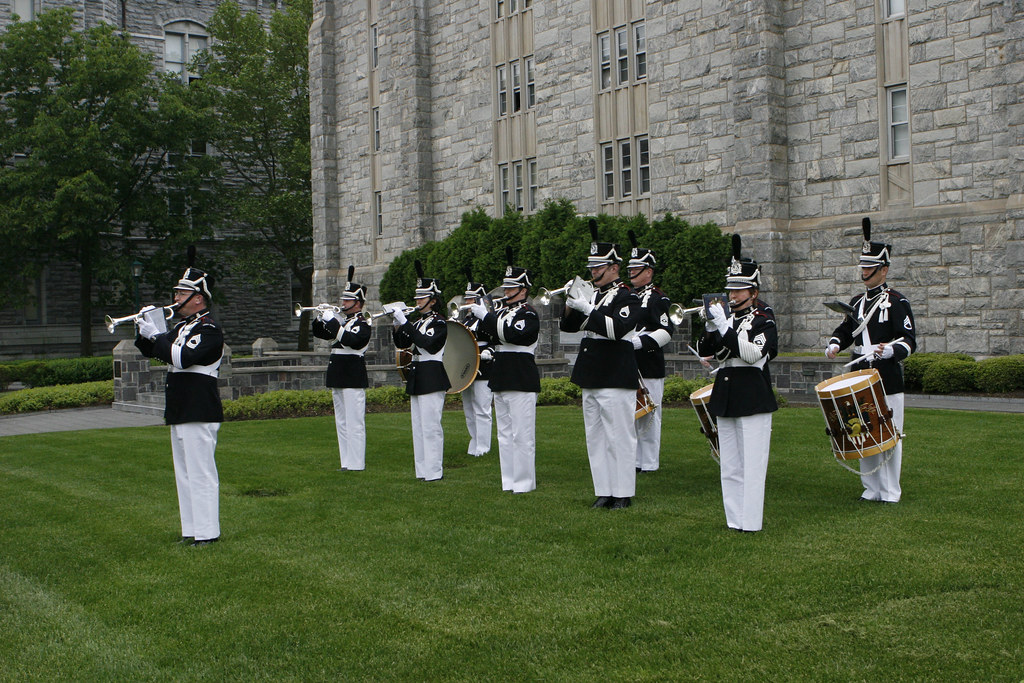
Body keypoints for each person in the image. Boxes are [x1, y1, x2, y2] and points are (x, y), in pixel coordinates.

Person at [825, 217, 916, 503]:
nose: (864, 272)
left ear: (883, 269)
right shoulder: (858, 301)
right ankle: (871, 488)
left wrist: (889, 350)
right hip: (860, 377)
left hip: (886, 377)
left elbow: (909, 341)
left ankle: (890, 491)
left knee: (889, 434)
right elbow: (847, 330)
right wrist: (835, 342)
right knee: (861, 430)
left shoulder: (897, 301)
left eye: (870, 268)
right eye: (863, 267)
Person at [135, 264, 224, 547]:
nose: (176, 298)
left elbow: (183, 357)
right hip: (182, 406)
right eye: (176, 292)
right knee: (184, 473)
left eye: (182, 292)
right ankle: (192, 530)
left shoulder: (209, 329)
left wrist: (157, 335)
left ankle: (208, 532)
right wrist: (145, 331)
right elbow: (156, 351)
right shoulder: (183, 327)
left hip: (199, 406)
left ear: (199, 297)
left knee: (201, 472)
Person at [696, 235, 778, 532]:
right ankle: (734, 520)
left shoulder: (763, 320)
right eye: (730, 289)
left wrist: (725, 327)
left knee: (752, 465)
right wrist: (709, 327)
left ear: (753, 292)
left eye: (738, 289)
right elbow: (711, 353)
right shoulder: (728, 319)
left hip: (752, 394)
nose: (731, 295)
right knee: (730, 465)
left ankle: (751, 522)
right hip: (727, 393)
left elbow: (754, 353)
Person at [559, 222, 643, 509]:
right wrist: (571, 303)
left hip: (616, 372)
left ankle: (622, 493)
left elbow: (618, 329)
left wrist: (588, 309)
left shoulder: (627, 296)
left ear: (614, 268)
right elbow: (568, 325)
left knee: (619, 436)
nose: (593, 272)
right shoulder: (592, 294)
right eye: (592, 267)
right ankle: (604, 490)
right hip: (592, 372)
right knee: (595, 436)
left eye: (599, 268)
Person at [470, 254, 541, 493]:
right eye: (506, 287)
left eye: (512, 288)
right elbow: (487, 335)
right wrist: (484, 315)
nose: (507, 292)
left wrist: (488, 317)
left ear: (523, 290)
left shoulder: (528, 314)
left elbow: (510, 334)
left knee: (522, 434)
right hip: (501, 376)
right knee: (504, 434)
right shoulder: (501, 313)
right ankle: (508, 480)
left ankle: (524, 483)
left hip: (520, 377)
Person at [391, 263, 449, 481]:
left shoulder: (440, 322)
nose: (417, 301)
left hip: (432, 372)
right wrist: (398, 325)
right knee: (418, 427)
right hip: (418, 373)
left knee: (431, 426)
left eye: (422, 297)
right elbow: (403, 342)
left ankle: (434, 471)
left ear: (432, 300)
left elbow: (427, 344)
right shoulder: (419, 321)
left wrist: (406, 323)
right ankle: (422, 470)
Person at [311, 266, 372, 471]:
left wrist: (334, 324)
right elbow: (322, 334)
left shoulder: (363, 324)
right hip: (338, 375)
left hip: (353, 376)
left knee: (355, 423)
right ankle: (346, 461)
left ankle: (357, 463)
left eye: (347, 301)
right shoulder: (343, 321)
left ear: (358, 303)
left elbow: (351, 341)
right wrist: (320, 318)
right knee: (342, 422)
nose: (343, 304)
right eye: (343, 300)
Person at [626, 235, 675, 473]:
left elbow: (665, 331)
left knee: (650, 413)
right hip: (626, 362)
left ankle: (649, 462)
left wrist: (639, 343)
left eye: (637, 268)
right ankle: (634, 460)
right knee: (630, 412)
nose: (632, 272)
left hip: (648, 362)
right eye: (630, 268)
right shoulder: (626, 295)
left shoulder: (657, 298)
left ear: (649, 271)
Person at [457, 274, 495, 457]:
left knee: (482, 407)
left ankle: (484, 446)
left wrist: (490, 352)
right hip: (468, 364)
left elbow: (495, 339)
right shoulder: (467, 319)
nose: (468, 301)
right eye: (467, 298)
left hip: (484, 364)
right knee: (469, 407)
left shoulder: (486, 317)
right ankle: (475, 441)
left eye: (471, 298)